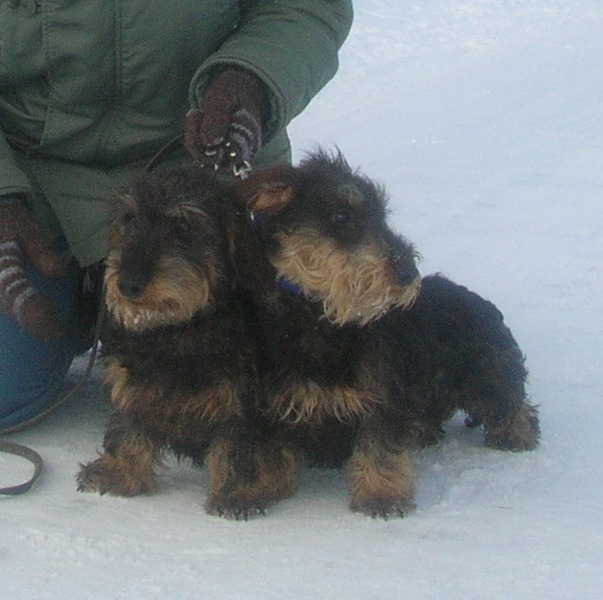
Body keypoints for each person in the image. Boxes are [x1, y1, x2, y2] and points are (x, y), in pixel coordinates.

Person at [0, 0, 354, 434]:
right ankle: (84, 302)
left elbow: (308, 7)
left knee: (296, 374)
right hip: (32, 173)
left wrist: (251, 80)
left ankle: (103, 304)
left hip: (201, 162)